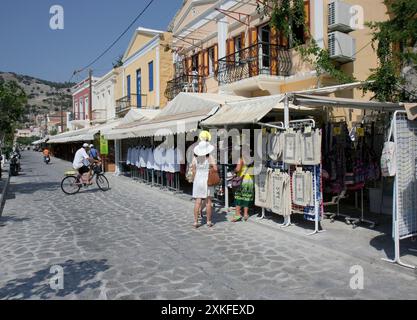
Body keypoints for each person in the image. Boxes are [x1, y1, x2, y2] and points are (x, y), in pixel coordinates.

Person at [191, 140, 217, 228]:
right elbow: (215, 169)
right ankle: (208, 221)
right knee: (208, 202)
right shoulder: (210, 157)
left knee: (197, 201)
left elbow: (193, 170)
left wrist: (195, 179)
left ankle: (195, 222)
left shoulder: (195, 158)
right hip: (207, 180)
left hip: (198, 180)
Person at [231, 147, 255, 222]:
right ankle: (245, 214)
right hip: (250, 180)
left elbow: (238, 169)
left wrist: (233, 170)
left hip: (241, 180)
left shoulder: (241, 159)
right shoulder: (252, 160)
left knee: (239, 196)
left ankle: (238, 214)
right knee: (246, 197)